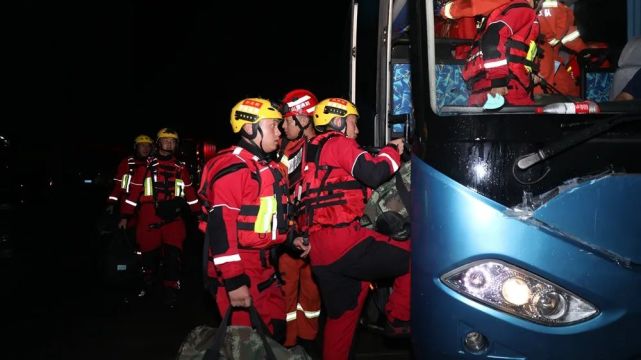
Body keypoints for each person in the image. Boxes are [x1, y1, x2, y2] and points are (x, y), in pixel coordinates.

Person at [300, 98, 409, 360]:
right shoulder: (338, 143)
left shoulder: (308, 152)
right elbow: (373, 173)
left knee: (342, 319)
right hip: (344, 241)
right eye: (353, 122)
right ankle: (398, 319)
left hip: (319, 251)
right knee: (417, 255)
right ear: (338, 121)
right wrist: (392, 150)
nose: (357, 130)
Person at [199, 98, 304, 343]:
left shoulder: (264, 166)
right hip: (239, 266)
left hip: (264, 265)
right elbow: (221, 228)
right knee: (246, 343)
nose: (279, 132)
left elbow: (265, 219)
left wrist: (291, 239)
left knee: (275, 330)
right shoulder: (233, 168)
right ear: (249, 128)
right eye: (273, 126)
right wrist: (234, 281)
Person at [119, 128, 200, 308]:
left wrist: (198, 213)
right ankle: (147, 286)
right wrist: (125, 216)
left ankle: (171, 291)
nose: (169, 143)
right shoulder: (145, 166)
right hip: (149, 217)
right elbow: (133, 194)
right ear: (159, 143)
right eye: (165, 140)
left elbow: (190, 193)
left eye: (172, 141)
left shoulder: (181, 168)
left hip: (174, 219)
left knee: (173, 257)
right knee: (148, 258)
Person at [278, 89, 321, 348]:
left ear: (303, 119)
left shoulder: (324, 146)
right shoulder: (287, 150)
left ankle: (308, 339)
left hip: (315, 231)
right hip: (290, 231)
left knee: (312, 293)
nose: (283, 126)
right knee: (285, 290)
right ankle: (286, 342)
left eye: (287, 120)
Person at [458, 0, 540, 106]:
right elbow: (494, 37)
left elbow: (512, 51)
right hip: (505, 91)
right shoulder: (524, 10)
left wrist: (531, 75)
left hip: (483, 89)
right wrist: (498, 81)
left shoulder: (502, 11)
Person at [534, 0, 589, 98]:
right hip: (539, 55)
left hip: (544, 56)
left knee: (564, 88)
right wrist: (583, 50)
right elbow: (567, 33)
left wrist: (583, 50)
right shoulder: (561, 9)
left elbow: (567, 34)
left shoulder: (532, 6)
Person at [105, 134, 153, 220]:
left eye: (148, 146)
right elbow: (118, 185)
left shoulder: (153, 163)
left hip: (147, 205)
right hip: (127, 203)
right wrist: (111, 203)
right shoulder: (126, 163)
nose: (146, 148)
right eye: (142, 145)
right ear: (135, 147)